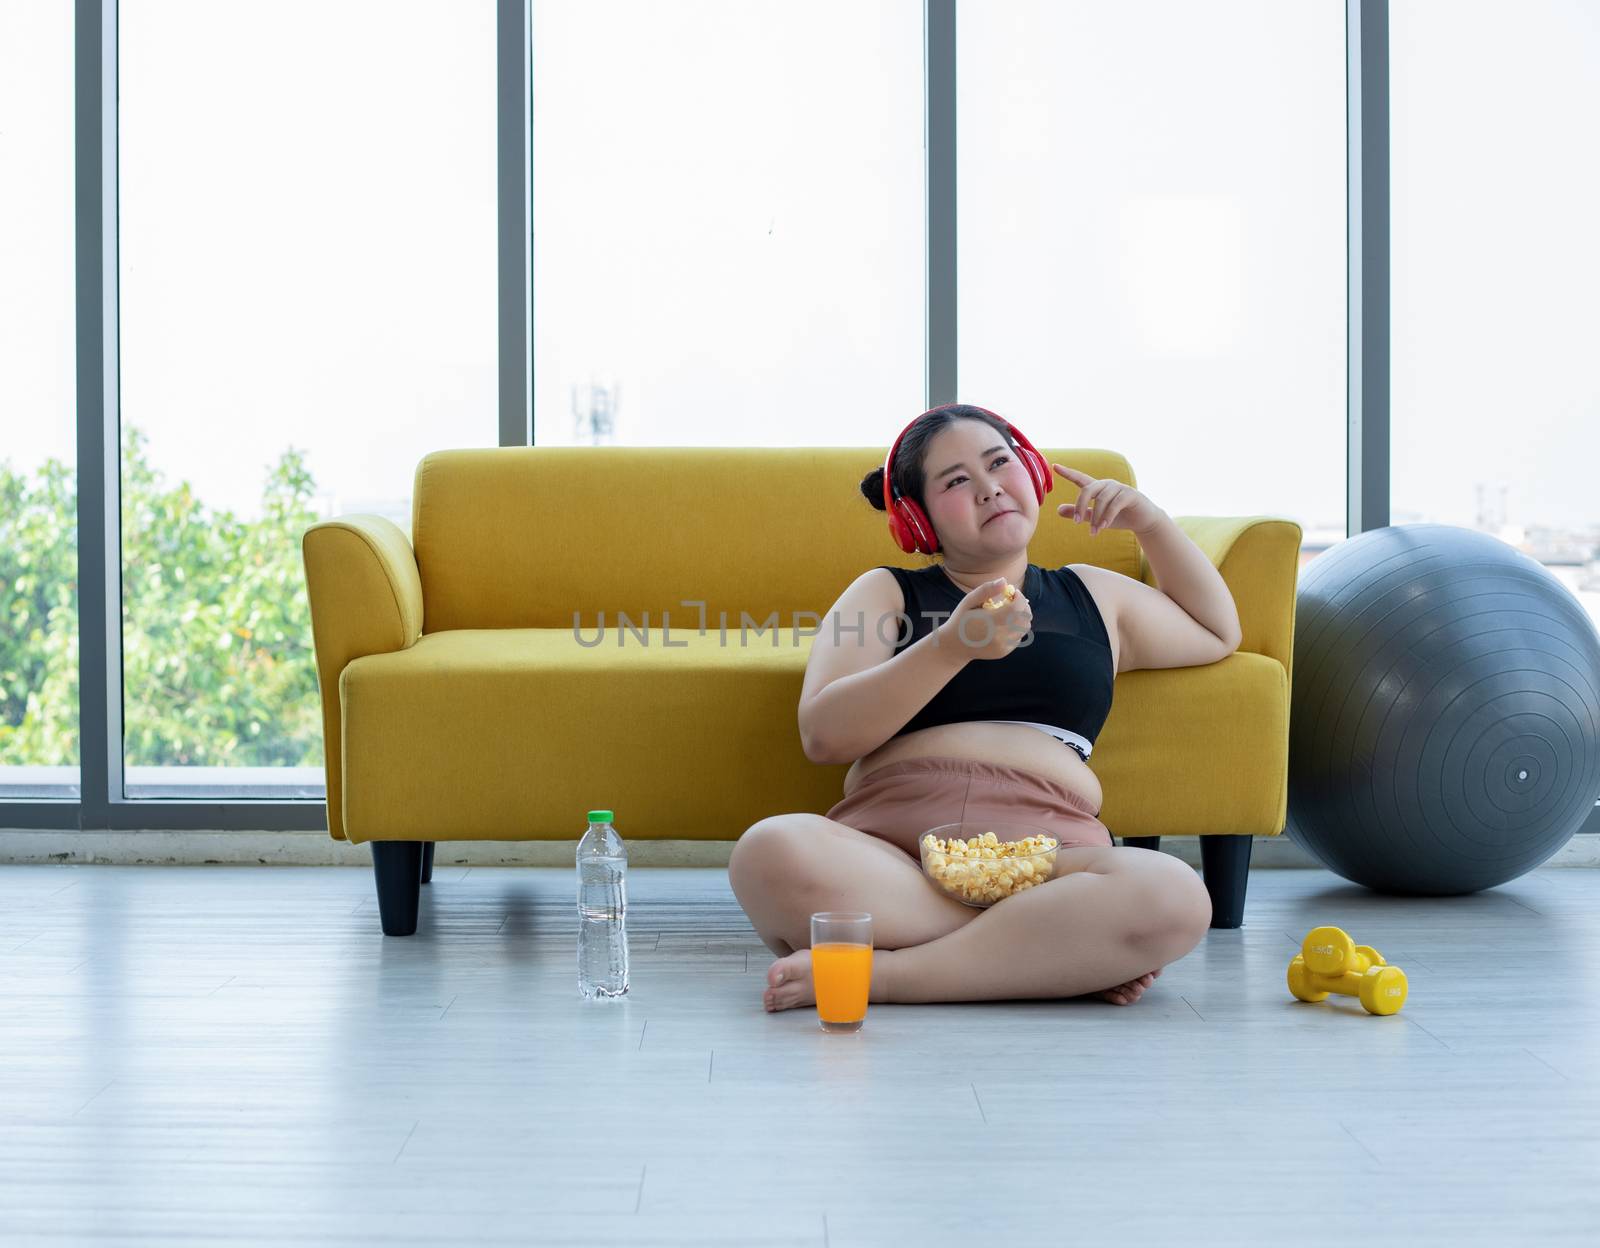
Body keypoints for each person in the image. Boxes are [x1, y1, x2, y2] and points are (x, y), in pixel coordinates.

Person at [728, 403, 1241, 1013]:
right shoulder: (885, 592)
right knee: (770, 849)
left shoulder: (1093, 593)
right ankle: (1047, 956)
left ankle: (886, 975)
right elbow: (824, 735)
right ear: (918, 520)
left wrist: (1151, 524)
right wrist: (951, 646)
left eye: (1000, 463)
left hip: (1052, 858)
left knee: (1176, 894)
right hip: (894, 856)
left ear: (1031, 473)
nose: (990, 486)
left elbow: (1216, 631)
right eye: (955, 481)